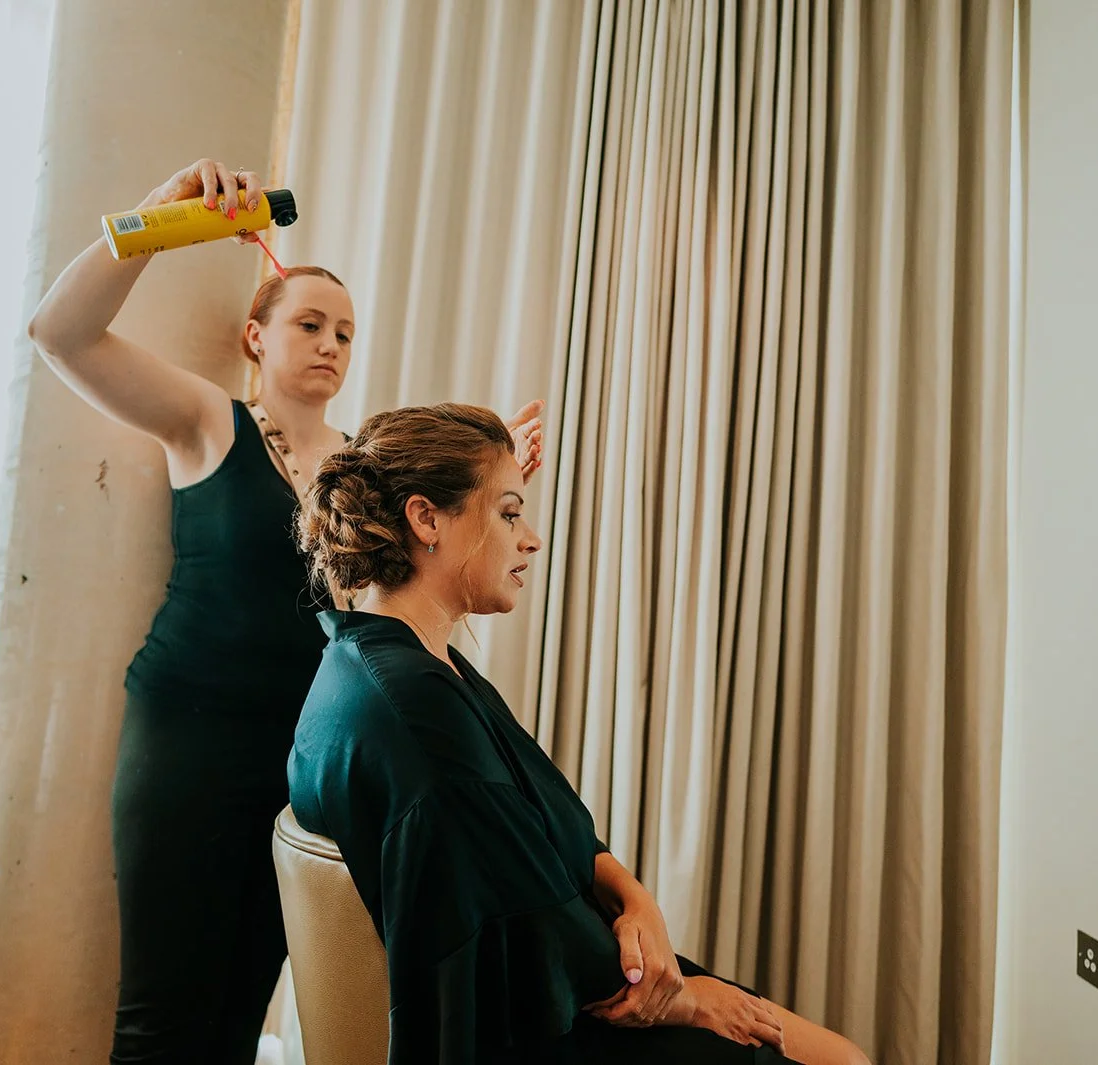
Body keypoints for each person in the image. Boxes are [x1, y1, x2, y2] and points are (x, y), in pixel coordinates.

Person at [26, 160, 546, 1064]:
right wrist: (159, 217)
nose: (332, 345)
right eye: (309, 323)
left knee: (238, 1017)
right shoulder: (208, 421)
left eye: (346, 332)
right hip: (187, 741)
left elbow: (412, 588)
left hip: (303, 757)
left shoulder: (367, 467)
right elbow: (60, 333)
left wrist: (489, 495)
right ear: (255, 338)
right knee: (162, 1017)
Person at [288, 404, 871, 1065]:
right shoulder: (413, 707)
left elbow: (541, 826)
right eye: (510, 513)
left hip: (570, 977)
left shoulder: (395, 661)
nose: (530, 538)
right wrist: (687, 1000)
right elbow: (520, 930)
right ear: (424, 519)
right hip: (553, 1016)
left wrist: (633, 894)